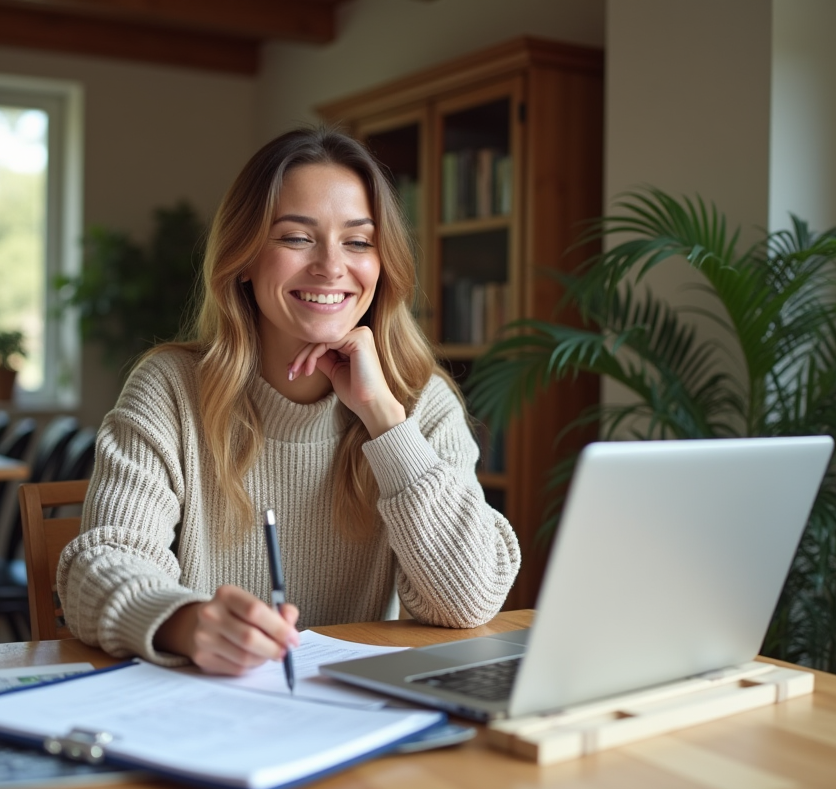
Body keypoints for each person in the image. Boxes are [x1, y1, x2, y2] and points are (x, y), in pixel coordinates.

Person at [58, 127, 520, 676]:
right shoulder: (170, 389)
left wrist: (386, 422)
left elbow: (468, 601)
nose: (330, 266)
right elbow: (101, 564)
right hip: (208, 706)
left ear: (383, 263)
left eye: (358, 241)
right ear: (244, 259)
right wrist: (187, 622)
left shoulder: (420, 401)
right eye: (297, 238)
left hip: (355, 716)